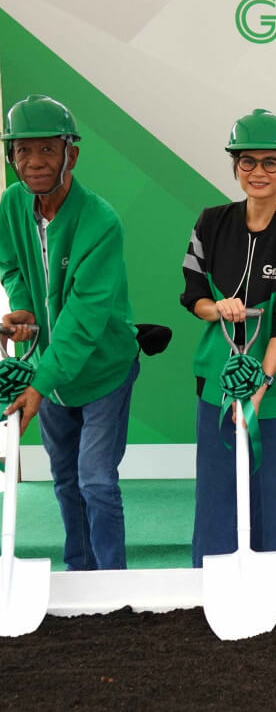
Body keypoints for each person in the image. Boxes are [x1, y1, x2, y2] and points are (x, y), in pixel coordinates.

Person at [0, 94, 140, 571]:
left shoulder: (100, 222)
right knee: (64, 478)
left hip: (103, 369)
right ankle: (81, 573)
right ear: (11, 156)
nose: (34, 162)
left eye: (46, 150)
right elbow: (12, 264)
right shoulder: (10, 205)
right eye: (22, 151)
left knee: (95, 479)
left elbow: (83, 320)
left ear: (70, 155)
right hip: (50, 371)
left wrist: (38, 384)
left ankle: (112, 581)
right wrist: (23, 309)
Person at [180, 109, 276, 567]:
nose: (258, 172)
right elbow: (194, 298)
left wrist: (260, 386)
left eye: (270, 163)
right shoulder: (209, 223)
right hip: (217, 387)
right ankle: (214, 586)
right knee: (218, 496)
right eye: (247, 162)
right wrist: (216, 307)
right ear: (235, 166)